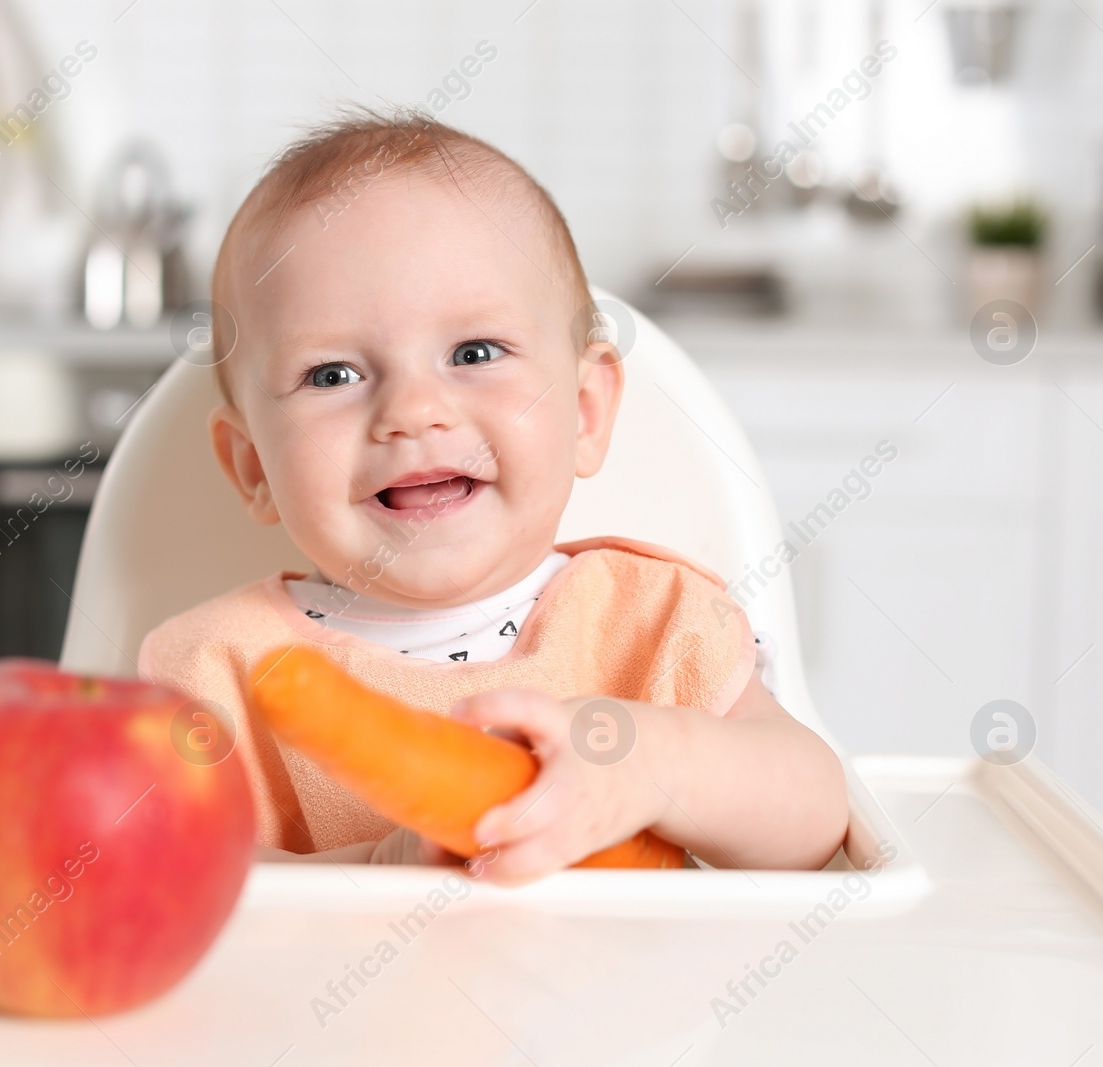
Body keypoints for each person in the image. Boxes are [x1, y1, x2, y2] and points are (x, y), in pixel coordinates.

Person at [137, 108, 848, 885]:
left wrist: (651, 768)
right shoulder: (220, 672)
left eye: (474, 352)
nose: (413, 411)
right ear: (252, 467)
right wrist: (373, 869)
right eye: (333, 375)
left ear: (584, 412)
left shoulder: (650, 623)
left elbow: (815, 818)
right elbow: (163, 878)